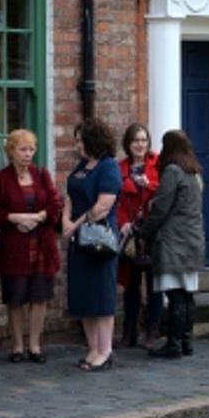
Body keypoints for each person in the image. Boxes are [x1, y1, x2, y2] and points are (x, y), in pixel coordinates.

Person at [0, 129, 63, 363]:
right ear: (11, 151)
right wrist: (15, 219)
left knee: (39, 296)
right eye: (23, 149)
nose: (28, 154)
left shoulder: (42, 174)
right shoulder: (1, 179)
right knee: (16, 296)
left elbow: (55, 204)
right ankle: (18, 346)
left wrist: (39, 217)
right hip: (15, 245)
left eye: (31, 149)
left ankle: (35, 345)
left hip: (42, 244)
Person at [62, 118, 123, 371]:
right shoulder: (82, 166)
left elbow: (102, 206)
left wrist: (75, 224)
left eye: (80, 140)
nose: (77, 145)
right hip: (78, 241)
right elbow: (70, 195)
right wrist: (65, 220)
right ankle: (92, 348)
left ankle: (105, 350)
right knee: (83, 295)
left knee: (101, 295)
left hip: (99, 240)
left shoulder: (108, 167)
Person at [140, 130, 205, 358]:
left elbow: (160, 209)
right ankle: (186, 342)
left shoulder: (172, 171)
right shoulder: (194, 173)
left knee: (176, 294)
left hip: (173, 241)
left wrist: (143, 231)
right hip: (192, 239)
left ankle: (174, 344)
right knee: (187, 295)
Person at [117, 123, 161, 349]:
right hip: (131, 234)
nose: (140, 145)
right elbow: (117, 199)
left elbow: (164, 194)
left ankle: (153, 330)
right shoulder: (120, 167)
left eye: (143, 140)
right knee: (131, 284)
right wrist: (123, 222)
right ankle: (129, 331)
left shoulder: (158, 163)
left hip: (153, 231)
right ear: (128, 143)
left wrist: (150, 186)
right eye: (135, 141)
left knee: (154, 284)